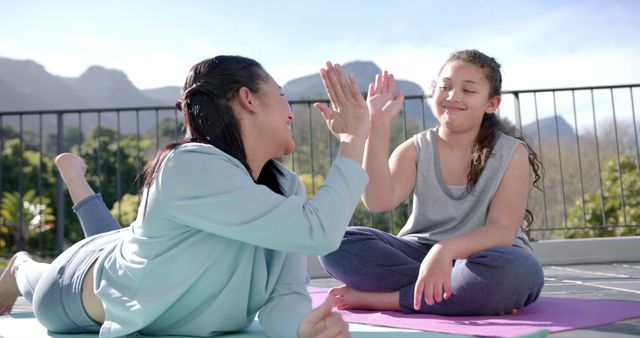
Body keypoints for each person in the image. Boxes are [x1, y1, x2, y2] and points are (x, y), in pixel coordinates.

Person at [0, 55, 371, 338]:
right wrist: (353, 141)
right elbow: (317, 231)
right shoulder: (190, 166)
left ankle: (75, 179)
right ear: (248, 99)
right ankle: (20, 265)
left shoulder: (286, 186)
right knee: (41, 281)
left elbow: (285, 295)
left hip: (139, 253)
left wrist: (302, 329)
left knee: (117, 240)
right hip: (77, 285)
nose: (292, 112)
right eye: (283, 97)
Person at [319, 49, 545, 316]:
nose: (453, 96)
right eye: (445, 87)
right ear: (433, 91)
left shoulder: (511, 152)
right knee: (336, 243)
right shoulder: (416, 148)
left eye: (468, 90)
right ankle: (464, 293)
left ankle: (389, 299)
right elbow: (378, 201)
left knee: (519, 271)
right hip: (419, 255)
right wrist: (378, 124)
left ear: (491, 103)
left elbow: (502, 230)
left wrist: (446, 249)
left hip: (486, 257)